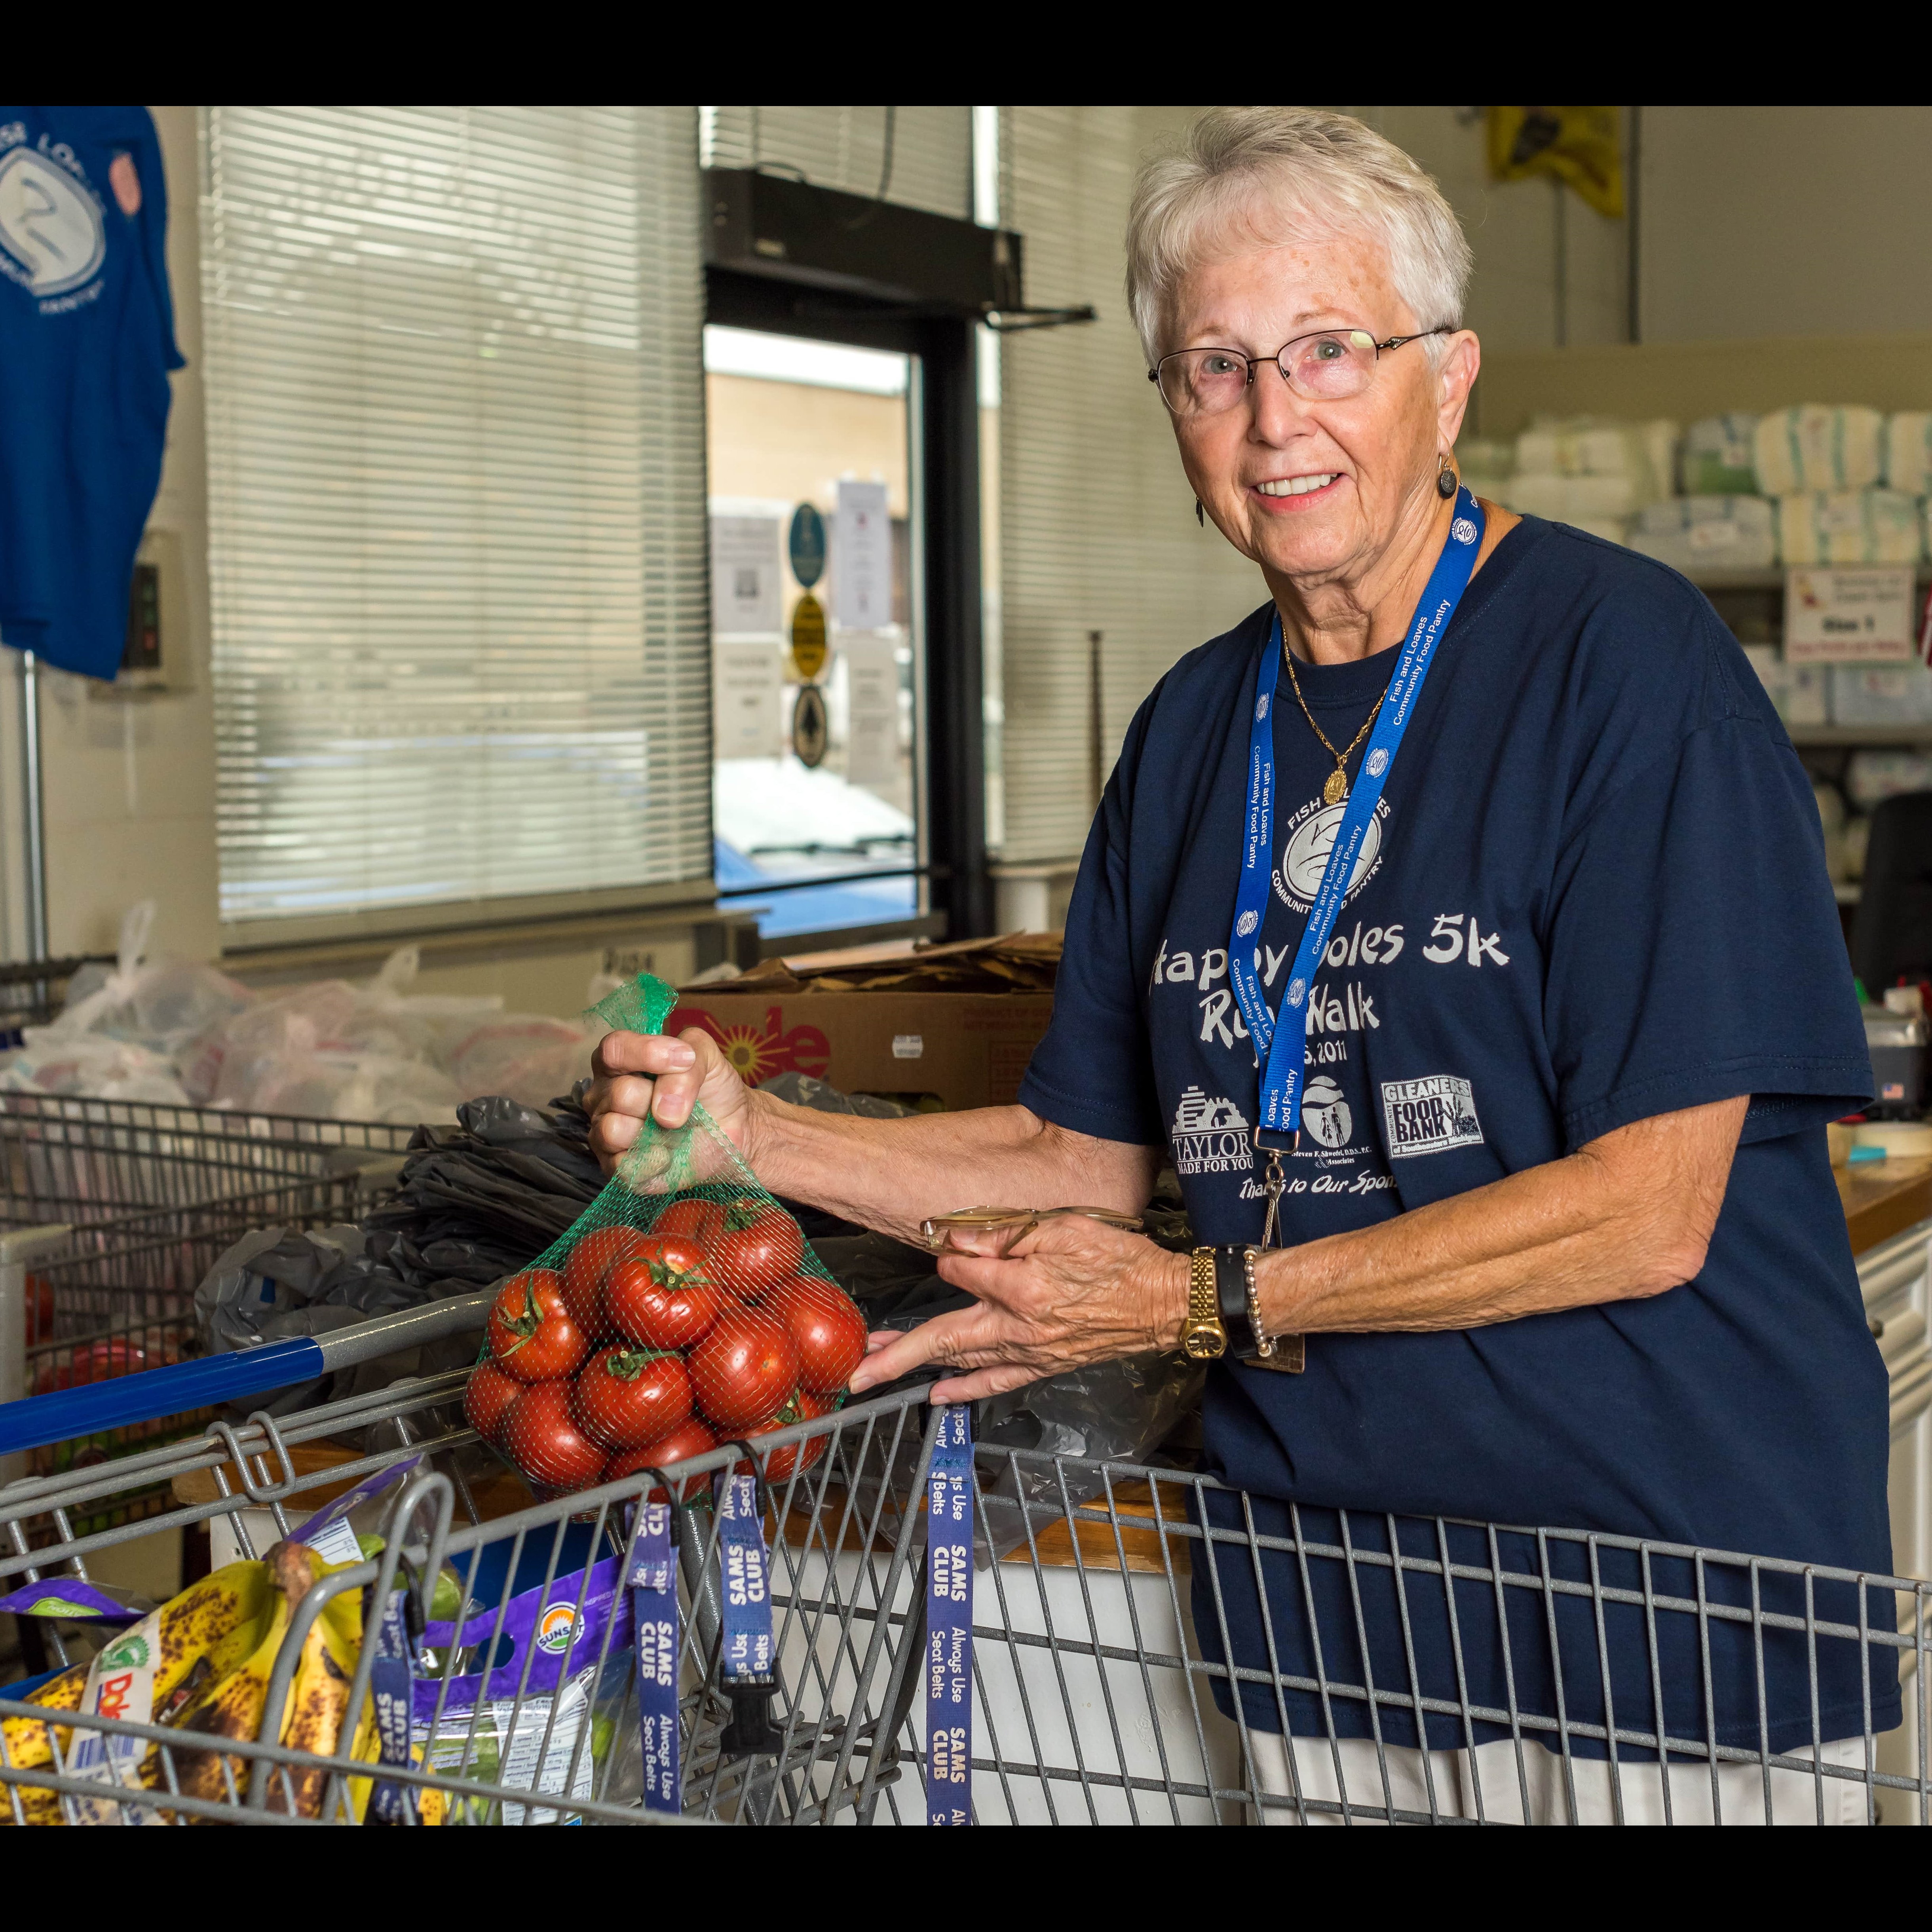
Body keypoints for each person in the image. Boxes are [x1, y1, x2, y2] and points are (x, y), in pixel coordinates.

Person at [590, 106, 1892, 1824]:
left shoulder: (1626, 672)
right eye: (1215, 367)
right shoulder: (1198, 731)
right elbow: (1085, 1163)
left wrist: (1213, 1298)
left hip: (1657, 1616)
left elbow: (1650, 1206)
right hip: (1326, 1615)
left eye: (1330, 349)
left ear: (1451, 378)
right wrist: (755, 1138)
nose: (1277, 419)